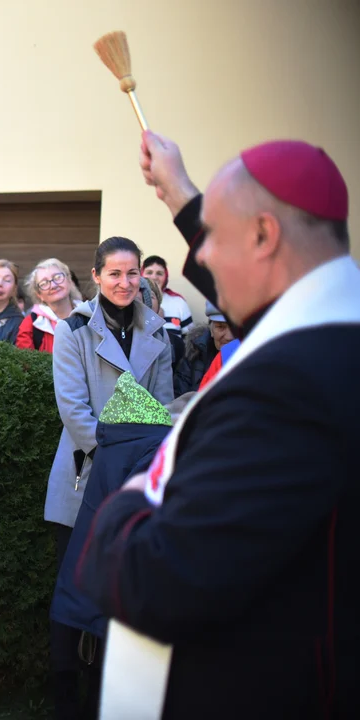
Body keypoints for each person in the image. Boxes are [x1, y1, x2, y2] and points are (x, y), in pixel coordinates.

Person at [76, 133, 359, 719]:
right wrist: (179, 193)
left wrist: (131, 496)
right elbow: (268, 302)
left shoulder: (287, 387)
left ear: (264, 235)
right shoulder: (332, 333)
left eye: (217, 237)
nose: (200, 258)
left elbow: (156, 579)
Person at [47, 236, 173, 718]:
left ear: (143, 276)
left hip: (137, 481)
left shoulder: (158, 334)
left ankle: (107, 696)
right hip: (84, 478)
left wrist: (141, 464)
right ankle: (63, 699)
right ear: (96, 276)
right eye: (114, 273)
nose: (125, 282)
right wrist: (115, 455)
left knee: (119, 592)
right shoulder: (72, 329)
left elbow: (159, 412)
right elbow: (74, 410)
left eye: (132, 273)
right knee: (70, 591)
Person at [16, 258, 82, 352]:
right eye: (44, 283)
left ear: (69, 281)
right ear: (39, 295)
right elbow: (27, 363)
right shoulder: (30, 324)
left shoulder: (91, 315)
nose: (53, 285)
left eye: (57, 277)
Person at [142, 255, 193, 367]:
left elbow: (190, 339)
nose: (154, 277)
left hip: (174, 365)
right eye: (149, 272)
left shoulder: (178, 302)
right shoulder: (133, 300)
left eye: (159, 273)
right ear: (141, 274)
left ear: (166, 276)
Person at [174, 301, 232, 396]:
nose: (229, 337)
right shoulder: (196, 351)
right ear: (211, 329)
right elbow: (178, 395)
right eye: (220, 327)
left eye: (235, 328)